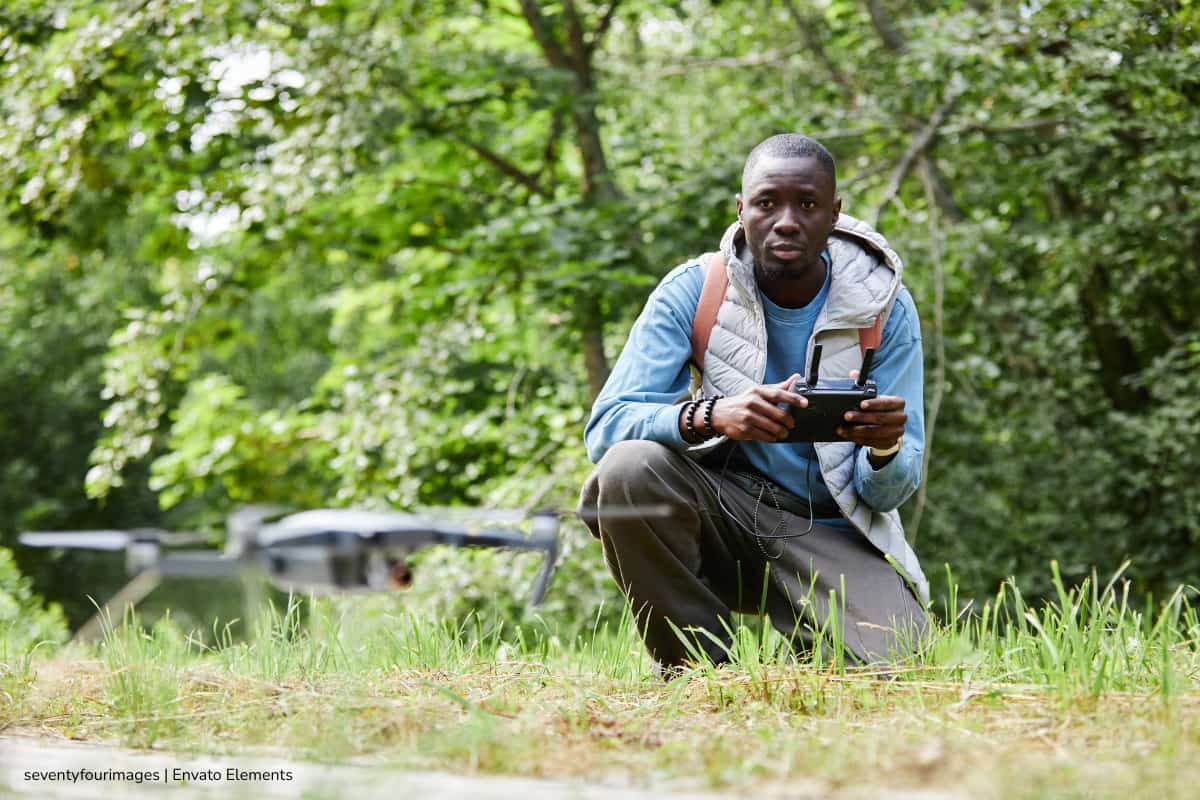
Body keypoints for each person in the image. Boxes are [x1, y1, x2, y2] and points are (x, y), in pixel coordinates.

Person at [577, 133, 930, 671]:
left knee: (899, 660)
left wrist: (884, 451)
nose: (786, 220)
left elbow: (889, 492)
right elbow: (606, 429)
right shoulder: (695, 290)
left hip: (830, 529)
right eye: (767, 203)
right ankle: (696, 668)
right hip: (723, 511)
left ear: (834, 214)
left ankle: (809, 644)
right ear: (742, 211)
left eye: (808, 204)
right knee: (629, 469)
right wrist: (713, 415)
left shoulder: (884, 308)